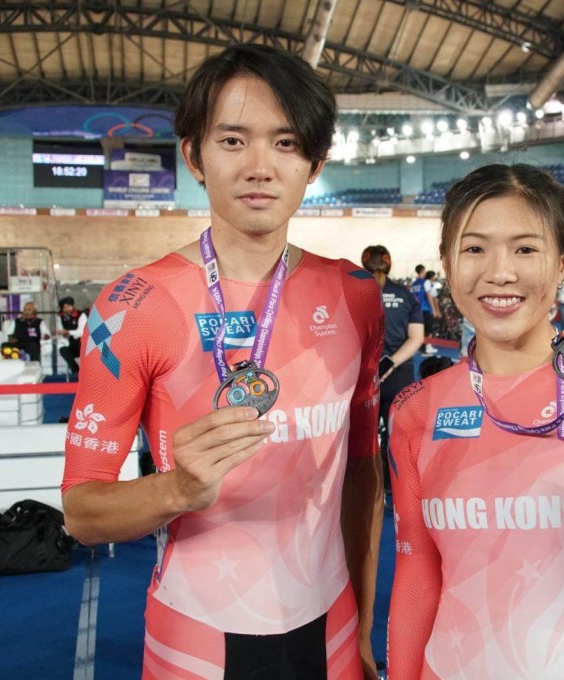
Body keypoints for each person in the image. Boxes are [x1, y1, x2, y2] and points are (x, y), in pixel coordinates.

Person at [61, 44, 383, 680]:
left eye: (286, 143)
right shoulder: (135, 305)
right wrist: (176, 489)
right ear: (194, 157)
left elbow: (362, 473)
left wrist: (366, 627)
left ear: (314, 164)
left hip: (334, 629)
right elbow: (81, 513)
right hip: (196, 636)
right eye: (233, 140)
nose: (260, 167)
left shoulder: (354, 294)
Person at [387, 164, 564, 679]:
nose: (499, 273)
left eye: (525, 249)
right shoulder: (416, 410)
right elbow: (417, 575)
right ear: (447, 263)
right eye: (474, 249)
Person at [361, 244, 423, 485]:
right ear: (389, 264)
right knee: (398, 436)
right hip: (398, 375)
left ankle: (366, 486)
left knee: (362, 437)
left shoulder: (354, 291)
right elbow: (416, 338)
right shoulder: (405, 295)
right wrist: (390, 363)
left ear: (364, 263)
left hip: (363, 376)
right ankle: (394, 486)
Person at [55, 296, 87, 378]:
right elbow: (60, 329)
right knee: (63, 350)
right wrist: (62, 333)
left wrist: (69, 332)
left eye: (68, 306)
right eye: (64, 307)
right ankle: (76, 371)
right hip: (68, 342)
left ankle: (86, 372)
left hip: (80, 342)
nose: (66, 309)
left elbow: (81, 332)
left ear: (72, 306)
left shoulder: (81, 315)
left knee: (81, 347)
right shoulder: (60, 317)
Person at [410, 264, 439, 355]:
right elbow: (429, 296)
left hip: (416, 310)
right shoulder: (426, 282)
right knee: (428, 329)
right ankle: (428, 347)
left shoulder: (413, 284)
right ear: (423, 271)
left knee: (421, 330)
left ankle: (423, 348)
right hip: (425, 309)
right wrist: (433, 309)